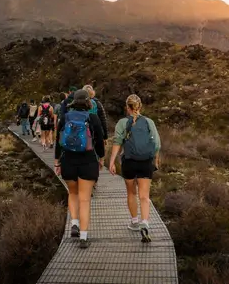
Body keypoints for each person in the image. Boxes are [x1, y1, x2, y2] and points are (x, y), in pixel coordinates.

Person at [54, 89, 105, 249]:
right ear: (88, 101)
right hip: (88, 162)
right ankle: (83, 237)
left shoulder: (65, 117)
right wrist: (101, 158)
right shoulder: (93, 117)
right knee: (85, 199)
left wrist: (57, 162)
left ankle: (74, 223)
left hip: (68, 161)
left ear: (74, 101)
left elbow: (58, 141)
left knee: (73, 194)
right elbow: (99, 142)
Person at [108, 94, 161, 243]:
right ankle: (145, 222)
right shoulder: (149, 122)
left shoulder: (122, 123)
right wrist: (155, 159)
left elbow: (117, 142)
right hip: (146, 162)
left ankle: (134, 221)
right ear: (140, 107)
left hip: (129, 162)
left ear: (127, 107)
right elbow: (157, 144)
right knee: (144, 196)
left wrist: (111, 162)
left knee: (131, 192)